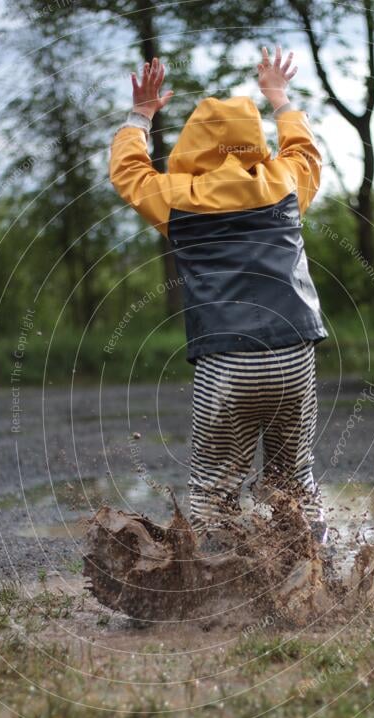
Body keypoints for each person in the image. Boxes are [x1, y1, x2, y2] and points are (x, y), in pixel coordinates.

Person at [110, 46, 328, 540]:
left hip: (227, 361)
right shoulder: (283, 184)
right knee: (295, 479)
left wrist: (140, 115)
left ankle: (217, 585)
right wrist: (278, 96)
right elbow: (303, 151)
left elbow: (129, 173)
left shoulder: (178, 198)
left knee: (213, 486)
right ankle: (315, 575)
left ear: (193, 144)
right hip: (295, 352)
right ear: (251, 142)